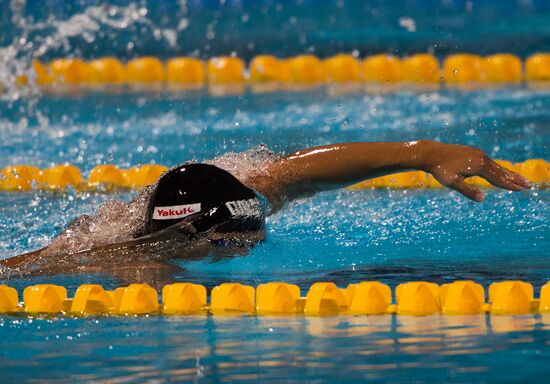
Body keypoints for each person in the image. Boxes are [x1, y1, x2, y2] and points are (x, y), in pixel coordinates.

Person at [0, 140, 530, 278]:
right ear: (187, 237)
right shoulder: (134, 260)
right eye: (236, 242)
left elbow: (299, 172)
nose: (250, 246)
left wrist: (423, 154)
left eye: (253, 232)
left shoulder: (237, 198)